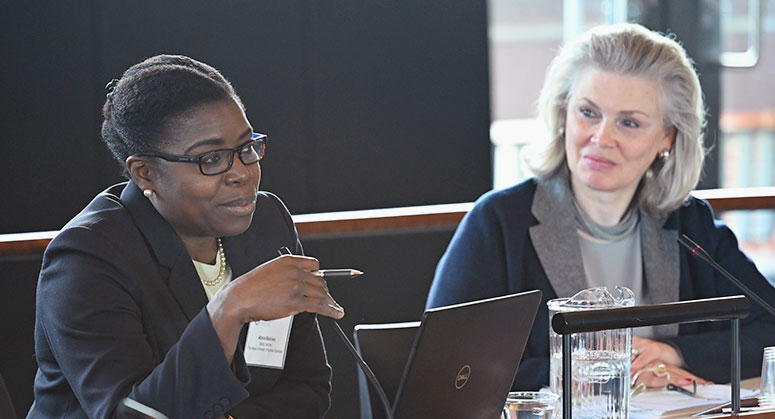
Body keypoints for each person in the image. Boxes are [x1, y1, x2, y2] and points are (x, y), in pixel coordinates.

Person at [426, 23, 775, 391]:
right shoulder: (497, 223)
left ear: (667, 138)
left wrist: (672, 353)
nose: (602, 138)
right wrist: (593, 376)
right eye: (588, 113)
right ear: (563, 115)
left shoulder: (690, 225)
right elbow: (443, 368)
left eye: (629, 122)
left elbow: (770, 327)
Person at [27, 54, 345, 418]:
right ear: (145, 173)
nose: (241, 173)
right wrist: (227, 310)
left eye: (246, 149)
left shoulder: (266, 223)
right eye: (210, 159)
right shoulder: (87, 258)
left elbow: (308, 389)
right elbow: (127, 415)